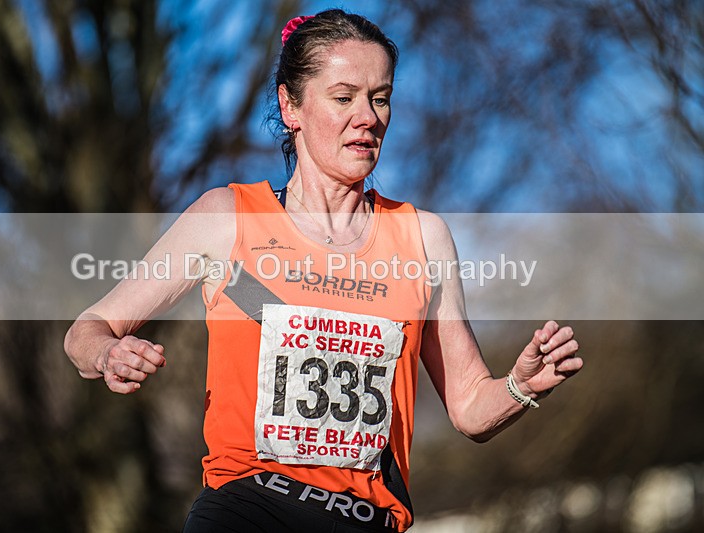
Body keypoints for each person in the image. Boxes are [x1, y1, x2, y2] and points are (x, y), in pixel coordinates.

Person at [64, 9, 583, 532]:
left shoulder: (422, 237)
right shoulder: (227, 219)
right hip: (248, 508)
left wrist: (521, 385)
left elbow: (470, 406)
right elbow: (87, 330)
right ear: (292, 105)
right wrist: (108, 353)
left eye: (380, 98)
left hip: (365, 519)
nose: (368, 117)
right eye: (344, 97)